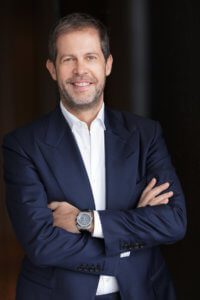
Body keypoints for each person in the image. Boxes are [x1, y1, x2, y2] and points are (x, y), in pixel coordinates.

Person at [2, 12, 186, 300]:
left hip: (142, 291)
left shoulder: (145, 134)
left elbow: (173, 221)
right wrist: (134, 232)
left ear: (108, 64)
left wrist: (85, 222)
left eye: (90, 57)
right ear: (52, 69)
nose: (80, 71)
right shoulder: (22, 145)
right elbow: (42, 244)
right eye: (68, 59)